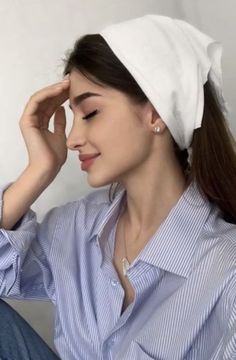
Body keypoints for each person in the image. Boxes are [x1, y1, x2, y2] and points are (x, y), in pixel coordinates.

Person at [0, 13, 236, 360]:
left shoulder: (224, 268)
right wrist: (39, 170)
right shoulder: (74, 227)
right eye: (73, 118)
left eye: (91, 113)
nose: (72, 139)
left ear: (156, 113)